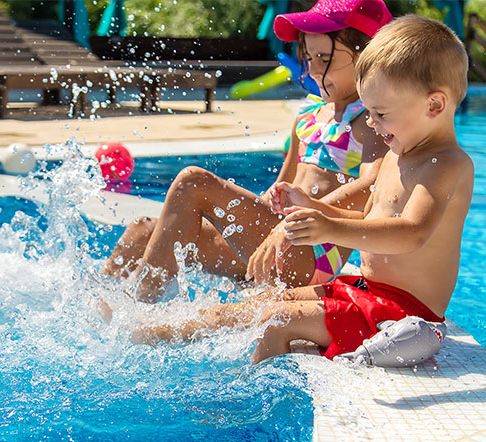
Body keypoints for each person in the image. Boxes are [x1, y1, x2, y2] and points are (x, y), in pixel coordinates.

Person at [133, 15, 474, 365]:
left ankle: (247, 401)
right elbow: (367, 219)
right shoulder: (397, 156)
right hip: (366, 295)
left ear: (434, 105)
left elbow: (411, 233)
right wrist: (313, 206)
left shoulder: (447, 164)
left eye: (381, 114)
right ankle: (146, 334)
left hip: (403, 317)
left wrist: (327, 228)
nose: (371, 123)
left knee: (274, 320)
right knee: (256, 305)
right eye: (369, 113)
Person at [100, 0, 391, 302]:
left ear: (366, 56)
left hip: (311, 252)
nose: (314, 70)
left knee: (193, 181)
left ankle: (137, 316)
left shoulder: (369, 120)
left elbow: (373, 188)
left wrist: (308, 212)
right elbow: (280, 187)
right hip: (274, 240)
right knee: (143, 229)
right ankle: (96, 308)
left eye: (324, 58)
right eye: (308, 58)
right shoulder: (308, 117)